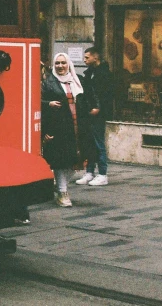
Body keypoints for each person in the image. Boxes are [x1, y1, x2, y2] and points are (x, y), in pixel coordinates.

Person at [41, 52, 98, 207]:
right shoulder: (48, 82)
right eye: (57, 63)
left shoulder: (78, 80)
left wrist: (93, 109)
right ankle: (62, 192)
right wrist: (48, 104)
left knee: (77, 159)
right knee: (61, 160)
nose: (60, 66)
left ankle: (60, 185)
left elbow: (88, 98)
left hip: (78, 126)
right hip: (58, 127)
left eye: (63, 63)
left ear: (69, 65)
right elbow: (38, 102)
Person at [77, 46, 113, 187]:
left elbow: (107, 95)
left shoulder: (104, 74)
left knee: (98, 143)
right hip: (88, 113)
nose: (84, 60)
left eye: (87, 57)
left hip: (98, 114)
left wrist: (99, 108)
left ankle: (103, 174)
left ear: (95, 57)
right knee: (89, 142)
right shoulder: (89, 73)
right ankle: (89, 172)